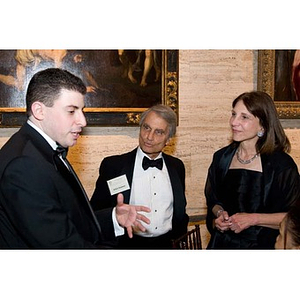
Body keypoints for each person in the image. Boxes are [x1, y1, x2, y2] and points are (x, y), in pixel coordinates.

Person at [0, 68, 150, 249]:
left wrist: (113, 218)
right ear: (39, 111)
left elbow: (68, 219)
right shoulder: (24, 165)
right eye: (71, 111)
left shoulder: (42, 148)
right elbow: (62, 245)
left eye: (82, 110)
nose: (83, 121)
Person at [205, 91, 300, 249]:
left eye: (244, 117)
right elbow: (213, 200)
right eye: (233, 114)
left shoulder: (282, 165)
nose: (234, 122)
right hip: (222, 244)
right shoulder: (221, 158)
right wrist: (220, 214)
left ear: (262, 125)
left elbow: (293, 218)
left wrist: (253, 219)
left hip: (263, 246)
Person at [90, 104, 189, 249]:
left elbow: (180, 210)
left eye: (159, 132)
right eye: (146, 128)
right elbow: (96, 212)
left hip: (168, 245)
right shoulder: (113, 166)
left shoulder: (177, 167)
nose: (149, 137)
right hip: (127, 245)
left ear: (168, 139)